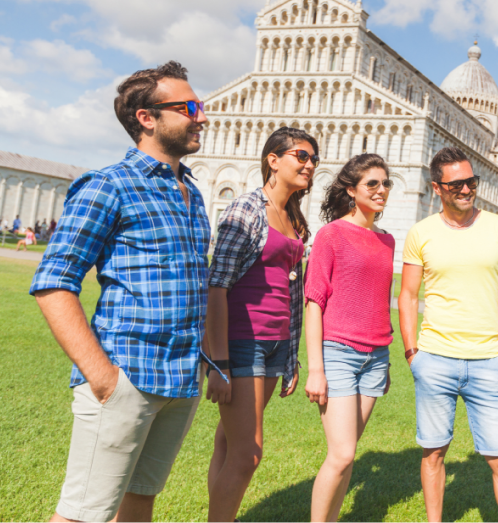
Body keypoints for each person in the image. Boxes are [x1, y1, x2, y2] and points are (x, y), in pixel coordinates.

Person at [30, 61, 210, 523]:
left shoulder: (191, 190)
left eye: (201, 105)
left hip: (180, 380)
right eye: (189, 107)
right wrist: (104, 377)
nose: (202, 117)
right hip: (125, 377)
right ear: (147, 118)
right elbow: (54, 281)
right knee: (81, 515)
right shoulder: (108, 186)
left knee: (139, 501)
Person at [399, 147, 498, 523]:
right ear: (437, 187)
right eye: (457, 184)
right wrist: (412, 353)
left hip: (489, 361)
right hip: (434, 359)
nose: (467, 189)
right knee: (434, 453)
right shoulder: (421, 232)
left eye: (471, 181)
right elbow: (407, 295)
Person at [204, 127, 319, 523]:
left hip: (275, 343)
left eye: (313, 159)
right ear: (273, 159)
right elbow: (216, 286)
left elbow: (291, 292)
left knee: (228, 442)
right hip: (242, 341)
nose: (309, 164)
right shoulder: (245, 209)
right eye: (301, 156)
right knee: (248, 453)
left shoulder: (293, 217)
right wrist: (217, 363)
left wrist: (291, 355)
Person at [304, 153, 396, 522]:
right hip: (338, 352)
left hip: (376, 357)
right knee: (340, 454)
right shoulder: (331, 235)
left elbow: (378, 299)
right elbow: (315, 302)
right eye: (372, 183)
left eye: (385, 183)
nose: (381, 190)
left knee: (348, 454)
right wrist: (316, 369)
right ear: (351, 189)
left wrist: (385, 354)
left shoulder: (387, 240)